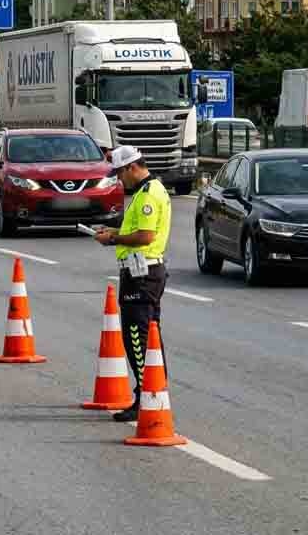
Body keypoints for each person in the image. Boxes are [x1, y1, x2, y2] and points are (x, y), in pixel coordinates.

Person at [93, 145, 172, 422]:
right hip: (145, 271)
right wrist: (114, 231)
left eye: (119, 173)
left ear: (132, 167)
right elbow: (136, 230)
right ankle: (152, 393)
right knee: (149, 338)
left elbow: (145, 236)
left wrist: (113, 239)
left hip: (142, 274)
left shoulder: (148, 194)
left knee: (137, 338)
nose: (119, 180)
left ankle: (145, 398)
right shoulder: (150, 190)